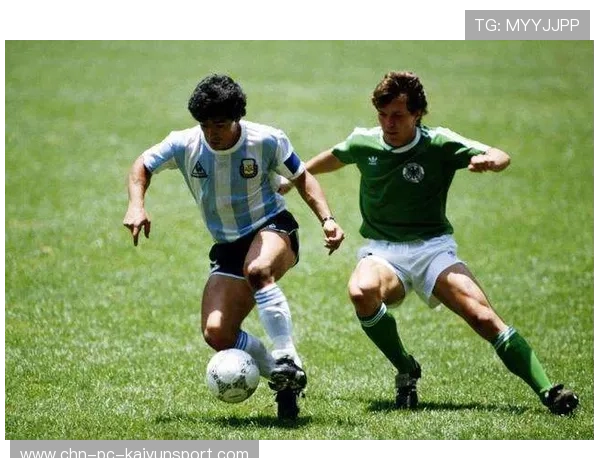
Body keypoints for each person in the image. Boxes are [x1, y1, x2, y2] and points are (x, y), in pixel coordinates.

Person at [281, 70, 579, 415]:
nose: (388, 123)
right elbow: (335, 155)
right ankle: (406, 368)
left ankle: (549, 391)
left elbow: (501, 155)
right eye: (382, 114)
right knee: (361, 291)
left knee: (482, 317)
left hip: (433, 249)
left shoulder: (439, 142)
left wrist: (491, 161)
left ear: (418, 114)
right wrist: (294, 178)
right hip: (383, 251)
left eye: (398, 115)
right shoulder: (364, 141)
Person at [123, 73, 345, 421]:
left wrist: (327, 220)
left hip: (273, 227)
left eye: (220, 124)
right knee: (217, 333)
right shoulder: (184, 144)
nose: (212, 133)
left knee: (258, 269)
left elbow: (302, 178)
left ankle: (286, 354)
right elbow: (142, 165)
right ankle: (283, 377)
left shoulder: (267, 140)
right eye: (205, 125)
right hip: (228, 245)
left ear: (237, 118)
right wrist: (136, 205)